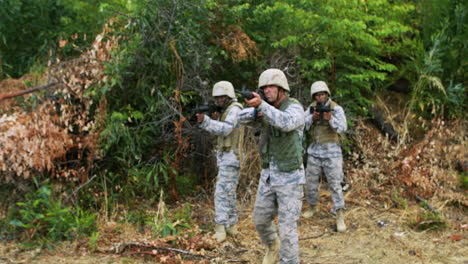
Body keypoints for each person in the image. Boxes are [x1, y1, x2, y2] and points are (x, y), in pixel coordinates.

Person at [239, 69, 305, 264]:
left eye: (270, 87)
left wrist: (262, 107)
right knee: (260, 219)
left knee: (287, 229)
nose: (267, 90)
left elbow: (286, 122)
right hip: (268, 175)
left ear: (281, 88)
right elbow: (240, 118)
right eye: (264, 88)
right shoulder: (265, 108)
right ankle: (273, 246)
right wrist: (256, 109)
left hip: (291, 177)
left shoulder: (295, 108)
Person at [196, 81, 243, 242]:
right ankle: (232, 225)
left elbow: (226, 129)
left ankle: (221, 227)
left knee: (222, 193)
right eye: (217, 98)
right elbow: (219, 135)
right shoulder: (226, 111)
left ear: (229, 96)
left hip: (232, 157)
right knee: (229, 193)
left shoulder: (235, 109)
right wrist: (213, 119)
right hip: (226, 156)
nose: (219, 101)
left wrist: (206, 122)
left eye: (222, 98)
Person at [302, 81, 347, 232]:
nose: (320, 97)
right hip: (314, 151)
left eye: (322, 94)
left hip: (332, 152)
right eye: (317, 95)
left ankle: (339, 214)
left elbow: (342, 128)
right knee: (310, 182)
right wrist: (312, 118)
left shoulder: (336, 108)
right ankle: (313, 206)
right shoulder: (311, 109)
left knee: (335, 184)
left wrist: (330, 119)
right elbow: (300, 126)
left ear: (327, 94)